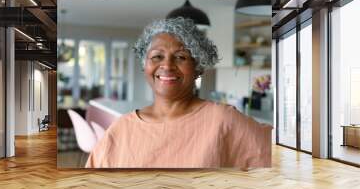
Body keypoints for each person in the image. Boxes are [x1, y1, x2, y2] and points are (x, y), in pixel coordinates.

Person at [86, 17, 271, 168]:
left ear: (198, 67)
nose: (167, 65)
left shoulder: (223, 121)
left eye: (181, 57)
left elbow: (280, 154)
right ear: (145, 66)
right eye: (157, 56)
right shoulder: (121, 129)